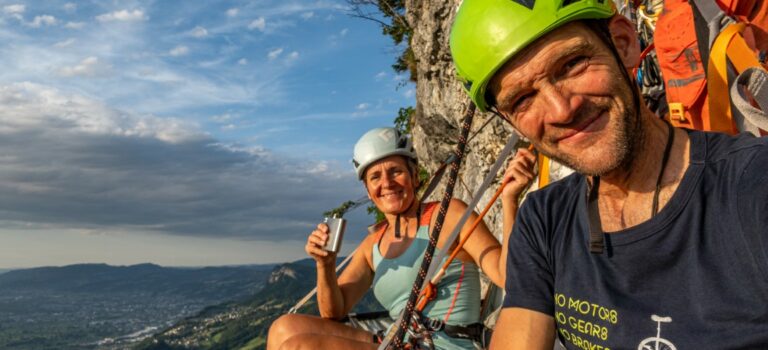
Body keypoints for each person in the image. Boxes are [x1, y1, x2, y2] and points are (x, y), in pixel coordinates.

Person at [450, 0, 768, 349]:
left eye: (572, 64)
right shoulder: (544, 220)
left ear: (623, 43)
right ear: (511, 122)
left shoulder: (751, 186)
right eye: (523, 100)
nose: (562, 109)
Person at [267, 127, 536, 350]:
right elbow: (333, 313)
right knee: (283, 328)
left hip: (445, 343)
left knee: (299, 347)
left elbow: (507, 277)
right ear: (368, 189)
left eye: (395, 171)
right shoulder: (372, 244)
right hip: (400, 341)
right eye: (375, 176)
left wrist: (509, 200)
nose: (387, 183)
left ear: (413, 175)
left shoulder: (447, 215)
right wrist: (324, 265)